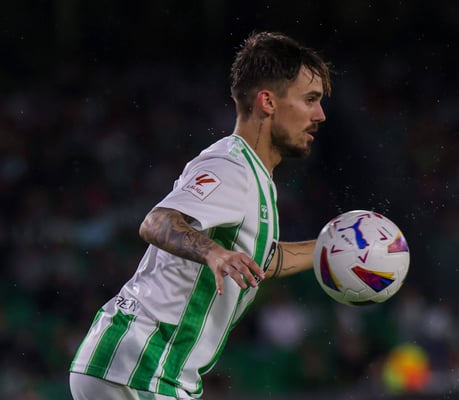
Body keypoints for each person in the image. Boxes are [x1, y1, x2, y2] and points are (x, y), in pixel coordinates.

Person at [68, 31, 332, 399]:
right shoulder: (232, 168)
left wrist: (331, 247)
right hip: (142, 366)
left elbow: (260, 261)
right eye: (310, 100)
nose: (320, 115)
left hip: (144, 369)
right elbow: (158, 222)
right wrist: (213, 253)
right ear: (268, 102)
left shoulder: (255, 177)